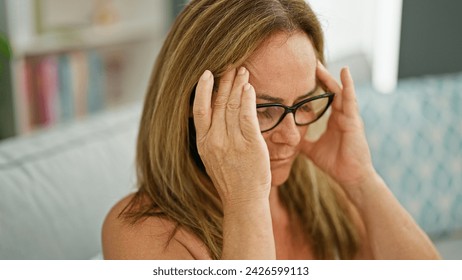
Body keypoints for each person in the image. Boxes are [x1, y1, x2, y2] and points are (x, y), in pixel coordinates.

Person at [102, 0, 440, 260]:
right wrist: (246, 200)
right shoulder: (138, 230)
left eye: (304, 103)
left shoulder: (325, 193)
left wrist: (362, 180)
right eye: (262, 110)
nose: (292, 136)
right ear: (195, 106)